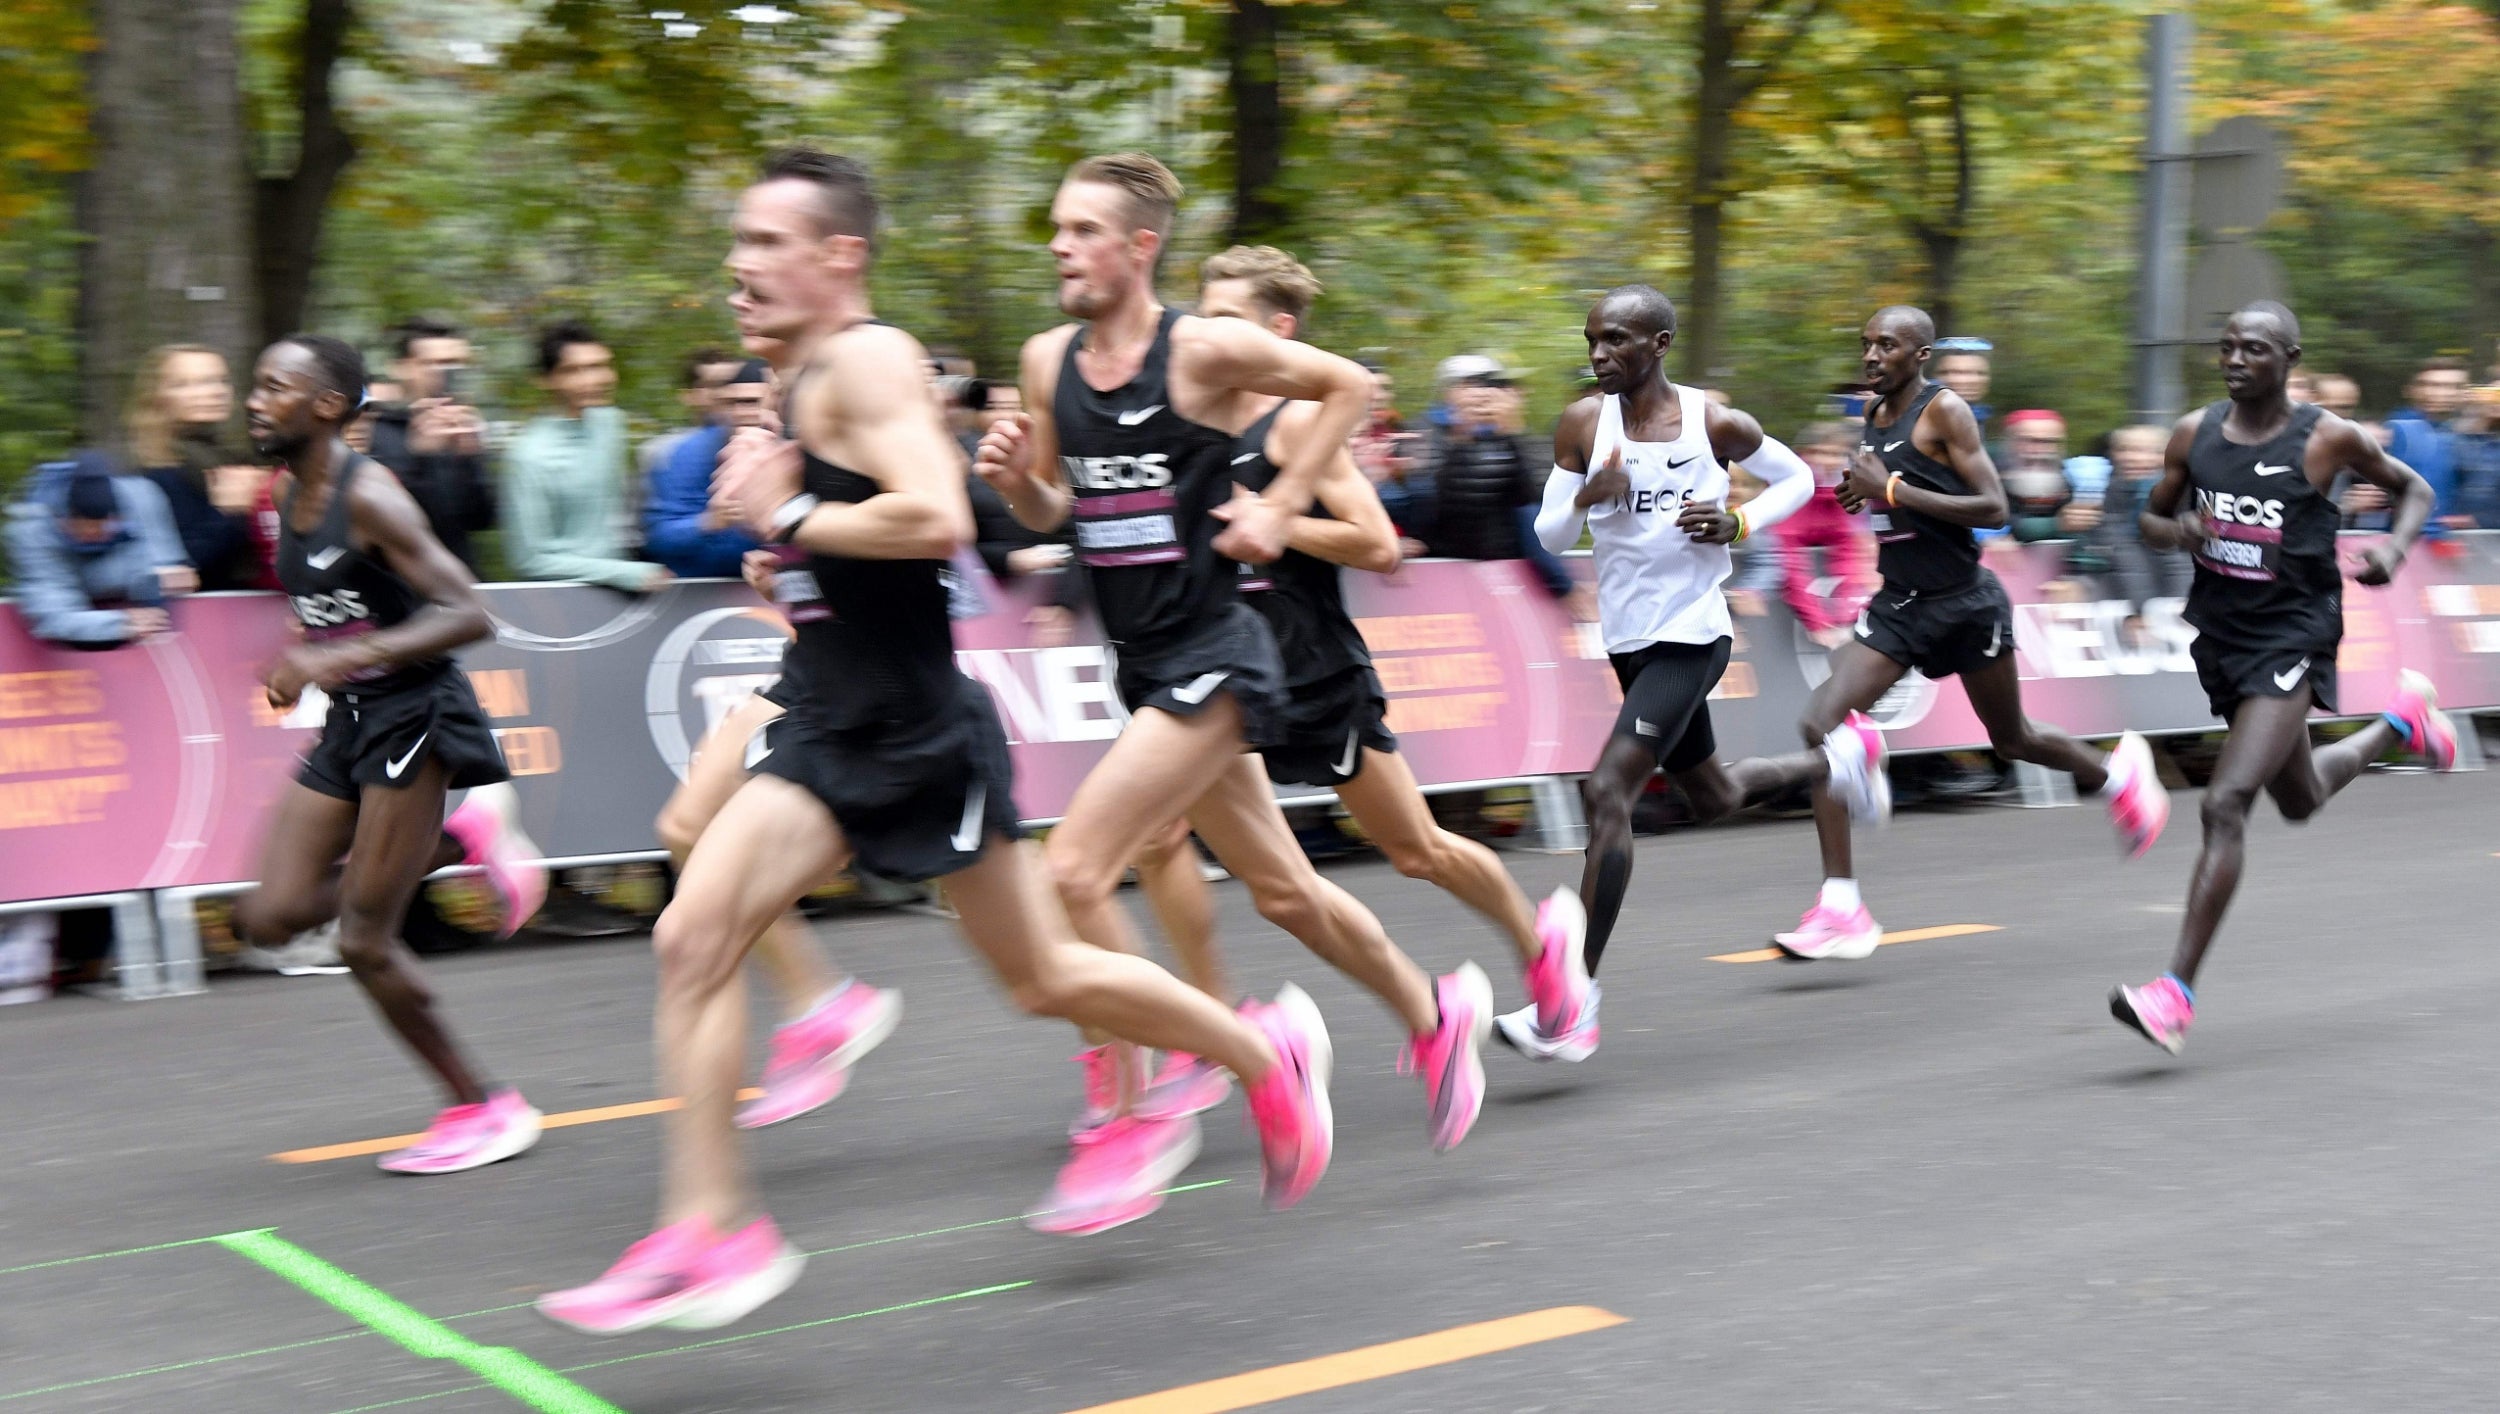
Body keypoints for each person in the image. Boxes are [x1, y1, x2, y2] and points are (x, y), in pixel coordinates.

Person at [537, 150, 1331, 1334]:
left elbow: (937, 516)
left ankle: (1263, 1057)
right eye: (738, 243)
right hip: (823, 712)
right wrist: (785, 549)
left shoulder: (865, 357)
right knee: (692, 933)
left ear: (839, 257)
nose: (738, 266)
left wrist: (793, 514)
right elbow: (840, 533)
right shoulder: (795, 376)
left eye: (766, 244)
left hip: (915, 731)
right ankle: (714, 1229)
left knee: (1043, 978)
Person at [977, 152, 1470, 1230]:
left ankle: (1141, 1107)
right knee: (1287, 894)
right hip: (1146, 662)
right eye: (1054, 229)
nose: (1058, 247)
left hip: (1220, 654)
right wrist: (1015, 477)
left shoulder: (1197, 350)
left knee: (1075, 867)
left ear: (1138, 247)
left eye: (1080, 230)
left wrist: (1282, 504)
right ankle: (1433, 1014)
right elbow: (1058, 513)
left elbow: (1345, 384)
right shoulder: (1046, 357)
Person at [1117, 244, 1591, 1097]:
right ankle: (1212, 1025)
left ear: (1278, 329)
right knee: (1163, 840)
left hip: (1312, 671)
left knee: (1415, 850)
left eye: (1227, 318)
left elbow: (1377, 546)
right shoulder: (1186, 420)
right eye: (1201, 316)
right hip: (1222, 674)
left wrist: (1278, 517)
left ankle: (1541, 948)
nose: (1206, 333)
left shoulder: (1296, 422)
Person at [226, 334, 549, 1174]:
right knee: (267, 919)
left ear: (327, 406)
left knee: (366, 941)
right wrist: (319, 657)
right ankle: (462, 836)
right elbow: (341, 606)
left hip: (417, 715)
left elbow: (471, 612)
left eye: (274, 387)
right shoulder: (278, 495)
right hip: (353, 719)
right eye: (253, 387)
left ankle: (485, 1107)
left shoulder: (372, 498)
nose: (254, 400)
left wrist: (325, 659)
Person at [1515, 286, 1862, 1056]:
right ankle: (1833, 760)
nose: (1600, 355)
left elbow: (1800, 482)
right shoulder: (1581, 422)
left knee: (1607, 791)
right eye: (1592, 341)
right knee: (1713, 794)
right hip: (1629, 636)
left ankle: (1573, 1004)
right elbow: (1547, 529)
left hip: (1692, 636)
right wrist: (1585, 499)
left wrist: (1739, 521)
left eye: (1617, 341)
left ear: (1661, 343)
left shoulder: (1712, 421)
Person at [1774, 306, 2171, 961]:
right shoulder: (1870, 416)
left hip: (1964, 605)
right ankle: (1841, 906)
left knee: (2012, 739)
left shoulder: (1944, 411)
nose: (1871, 356)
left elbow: (1993, 507)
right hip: (1900, 604)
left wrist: (1892, 489)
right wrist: (1860, 495)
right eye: (1866, 344)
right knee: (1821, 724)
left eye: (1887, 346)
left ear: (1921, 354)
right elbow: (1892, 495)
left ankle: (2117, 776)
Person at [2109, 303, 2455, 1053]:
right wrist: (2182, 531)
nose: (2235, 359)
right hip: (2226, 637)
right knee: (2297, 798)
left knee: (2226, 803)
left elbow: (2416, 492)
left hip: (2293, 634)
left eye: (2254, 349)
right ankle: (2403, 723)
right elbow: (2150, 520)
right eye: (2226, 346)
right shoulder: (2193, 433)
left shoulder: (2327, 436)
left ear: (2289, 358)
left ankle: (2174, 996)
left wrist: (2394, 550)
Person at [504, 321, 673, 592]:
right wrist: (625, 572)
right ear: (546, 380)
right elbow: (529, 560)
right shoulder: (528, 456)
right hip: (567, 598)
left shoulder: (609, 422)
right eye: (574, 371)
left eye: (600, 366)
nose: (594, 379)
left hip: (627, 590)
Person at [125, 344, 272, 592]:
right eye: (187, 384)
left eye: (219, 381)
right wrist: (230, 512)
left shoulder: (233, 457)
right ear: (158, 397)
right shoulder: (156, 476)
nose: (214, 392)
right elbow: (179, 570)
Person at [366, 319, 497, 575]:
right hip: (399, 588)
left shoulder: (463, 426)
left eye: (452, 363)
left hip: (461, 582)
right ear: (401, 368)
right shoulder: (374, 430)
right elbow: (383, 520)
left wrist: (468, 460)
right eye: (431, 363)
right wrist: (420, 456)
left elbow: (482, 519)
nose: (443, 371)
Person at [643, 358, 774, 578]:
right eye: (733, 403)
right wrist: (709, 522)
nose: (743, 413)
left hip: (770, 585)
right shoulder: (686, 454)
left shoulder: (797, 450)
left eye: (753, 402)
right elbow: (658, 538)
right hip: (698, 588)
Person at [1777, 421, 1875, 647]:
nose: (1829, 461)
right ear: (1807, 453)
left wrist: (1848, 614)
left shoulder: (1843, 487)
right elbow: (1789, 565)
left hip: (1823, 530)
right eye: (1822, 453)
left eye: (1836, 454)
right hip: (1790, 539)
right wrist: (1817, 623)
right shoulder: (1792, 485)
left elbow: (1848, 553)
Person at [2384, 357, 2474, 538]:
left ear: (2465, 392)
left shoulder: (2472, 435)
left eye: (2452, 387)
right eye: (2433, 385)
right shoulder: (2394, 432)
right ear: (2415, 390)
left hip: (2459, 544)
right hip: (2403, 543)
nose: (2442, 393)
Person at [641, 347, 744, 486]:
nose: (725, 393)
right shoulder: (662, 453)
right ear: (687, 396)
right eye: (713, 385)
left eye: (732, 383)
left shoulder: (765, 446)